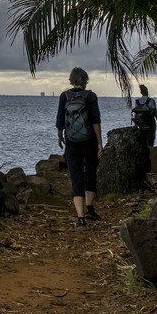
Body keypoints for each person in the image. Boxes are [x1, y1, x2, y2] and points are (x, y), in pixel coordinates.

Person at [56, 67, 103, 228]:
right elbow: (96, 121)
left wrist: (60, 136)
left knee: (76, 176)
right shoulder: (91, 96)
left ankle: (80, 219)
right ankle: (90, 208)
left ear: (71, 80)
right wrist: (100, 143)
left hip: (72, 143)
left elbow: (60, 121)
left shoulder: (64, 96)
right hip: (89, 141)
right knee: (90, 172)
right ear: (85, 80)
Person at [132, 84, 157, 148]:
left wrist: (135, 124)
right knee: (150, 142)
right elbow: (155, 113)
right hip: (150, 124)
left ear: (141, 92)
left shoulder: (137, 101)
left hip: (141, 125)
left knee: (143, 142)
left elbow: (136, 114)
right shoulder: (151, 101)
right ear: (147, 91)